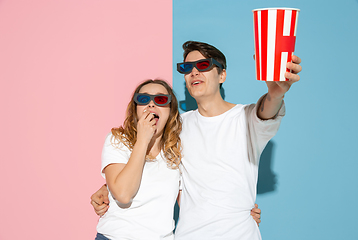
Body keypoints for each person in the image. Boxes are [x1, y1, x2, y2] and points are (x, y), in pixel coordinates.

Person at [92, 41, 302, 239]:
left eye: (203, 65)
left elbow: (266, 112)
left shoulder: (246, 118)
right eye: (187, 67)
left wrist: (276, 94)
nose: (194, 72)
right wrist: (108, 188)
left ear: (222, 75)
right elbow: (145, 167)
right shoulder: (176, 127)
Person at [95, 79, 182, 240]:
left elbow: (188, 203)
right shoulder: (118, 141)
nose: (151, 105)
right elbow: (123, 194)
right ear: (135, 109)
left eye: (160, 99)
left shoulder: (176, 151)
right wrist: (143, 140)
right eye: (143, 99)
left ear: (171, 111)